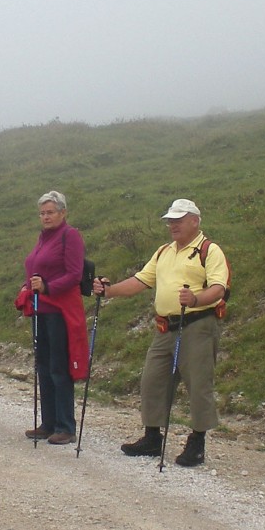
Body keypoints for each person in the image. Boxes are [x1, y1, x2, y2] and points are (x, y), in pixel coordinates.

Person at [92, 198, 229, 467]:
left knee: (199, 383)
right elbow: (141, 280)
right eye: (170, 220)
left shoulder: (209, 250)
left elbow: (219, 288)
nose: (172, 225)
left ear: (195, 221)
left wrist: (196, 299)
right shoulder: (164, 251)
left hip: (198, 325)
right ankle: (152, 437)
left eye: (178, 220)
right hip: (165, 327)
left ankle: (197, 441)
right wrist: (109, 291)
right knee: (153, 380)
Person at [14, 191, 89, 445]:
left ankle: (65, 425)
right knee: (43, 366)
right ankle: (48, 423)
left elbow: (74, 274)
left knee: (59, 366)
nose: (45, 217)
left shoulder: (70, 236)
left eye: (50, 212)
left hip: (60, 311)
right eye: (42, 213)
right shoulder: (43, 238)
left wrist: (47, 287)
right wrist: (29, 287)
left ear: (63, 213)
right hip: (40, 310)